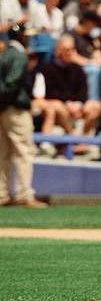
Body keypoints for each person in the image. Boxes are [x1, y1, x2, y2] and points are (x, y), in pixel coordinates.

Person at [0, 24, 48, 208]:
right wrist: (4, 104)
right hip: (14, 109)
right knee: (24, 151)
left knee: (3, 153)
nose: (28, 38)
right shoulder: (19, 55)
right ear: (20, 37)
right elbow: (12, 84)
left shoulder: (3, 54)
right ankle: (24, 194)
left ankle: (2, 195)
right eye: (26, 36)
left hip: (3, 108)